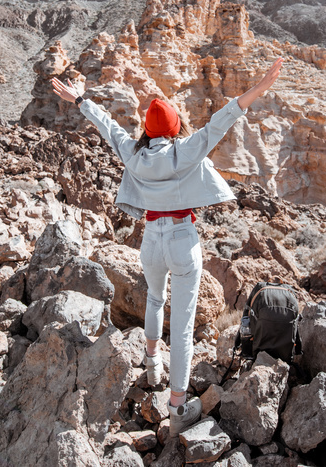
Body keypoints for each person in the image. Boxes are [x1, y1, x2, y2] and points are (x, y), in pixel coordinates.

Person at [51, 58, 283, 435]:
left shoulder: (133, 152)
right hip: (182, 238)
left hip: (150, 240)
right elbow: (221, 121)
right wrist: (257, 89)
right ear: (175, 128)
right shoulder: (185, 151)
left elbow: (107, 127)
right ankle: (178, 408)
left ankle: (152, 362)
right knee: (185, 325)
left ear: (147, 129)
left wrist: (81, 101)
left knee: (155, 299)